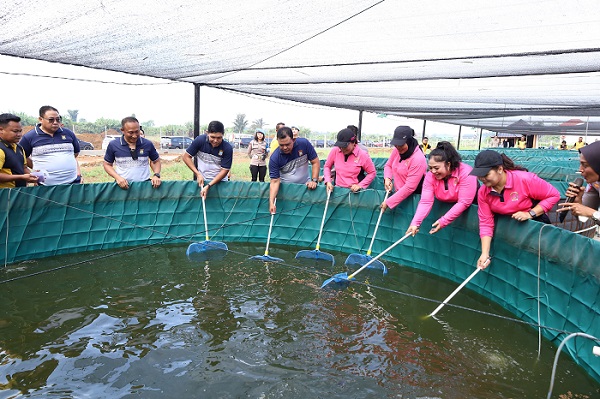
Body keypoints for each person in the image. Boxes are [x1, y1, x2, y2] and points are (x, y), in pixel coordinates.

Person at [469, 150, 560, 270]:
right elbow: (486, 222)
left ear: (500, 169)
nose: (482, 179)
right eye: (479, 175)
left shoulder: (525, 179)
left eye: (486, 175)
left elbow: (554, 195)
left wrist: (530, 214)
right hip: (511, 231)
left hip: (535, 226)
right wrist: (485, 253)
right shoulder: (483, 192)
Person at [406, 141, 478, 236]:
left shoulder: (466, 173)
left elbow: (464, 202)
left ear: (448, 164)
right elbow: (425, 201)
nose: (433, 171)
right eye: (430, 168)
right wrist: (415, 223)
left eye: (436, 168)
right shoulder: (429, 176)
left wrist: (444, 220)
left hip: (471, 216)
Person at [19, 105, 82, 185]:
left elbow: (75, 154)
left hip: (72, 183)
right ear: (40, 119)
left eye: (58, 119)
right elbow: (22, 157)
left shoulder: (68, 133)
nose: (55, 122)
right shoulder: (30, 137)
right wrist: (35, 168)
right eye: (51, 120)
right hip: (45, 186)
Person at [269, 126, 319, 214]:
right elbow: (274, 181)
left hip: (306, 189)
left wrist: (314, 180)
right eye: (281, 145)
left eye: (287, 144)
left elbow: (315, 162)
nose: (284, 147)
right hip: (287, 193)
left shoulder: (304, 144)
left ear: (294, 140)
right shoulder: (274, 158)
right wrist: (271, 202)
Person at [103, 116, 161, 190]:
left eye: (137, 132)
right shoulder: (113, 145)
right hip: (123, 187)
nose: (134, 135)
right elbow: (107, 164)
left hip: (144, 186)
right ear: (122, 130)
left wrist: (156, 175)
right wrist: (118, 178)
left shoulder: (147, 144)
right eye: (130, 132)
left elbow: (156, 161)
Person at [381, 126, 427, 212]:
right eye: (396, 144)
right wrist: (387, 178)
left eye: (401, 145)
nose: (398, 147)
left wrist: (388, 202)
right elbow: (388, 165)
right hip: (398, 195)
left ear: (409, 141)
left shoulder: (418, 159)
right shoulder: (397, 150)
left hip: (414, 200)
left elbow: (410, 187)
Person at [183, 120, 233, 198]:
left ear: (223, 135)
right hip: (203, 181)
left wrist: (209, 185)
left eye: (219, 138)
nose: (215, 141)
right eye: (212, 137)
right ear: (207, 133)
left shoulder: (227, 148)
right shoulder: (199, 140)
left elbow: (225, 170)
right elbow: (186, 157)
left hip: (221, 182)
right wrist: (198, 174)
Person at [557, 141, 600, 225]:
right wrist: (578, 202)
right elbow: (584, 219)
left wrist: (592, 213)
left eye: (585, 165)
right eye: (580, 164)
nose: (580, 170)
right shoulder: (594, 184)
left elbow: (591, 213)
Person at [323, 128, 376, 193]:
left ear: (353, 142)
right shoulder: (335, 151)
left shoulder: (363, 155)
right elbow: (327, 166)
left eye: (345, 146)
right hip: (337, 190)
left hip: (355, 193)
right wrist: (328, 181)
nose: (342, 149)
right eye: (340, 146)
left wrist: (360, 185)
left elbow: (372, 172)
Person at [0, 113, 39, 188]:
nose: (19, 134)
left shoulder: (19, 148)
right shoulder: (1, 149)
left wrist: (33, 176)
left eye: (20, 131)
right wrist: (21, 177)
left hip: (19, 193)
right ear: (1, 130)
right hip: (4, 194)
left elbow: (23, 168)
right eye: (15, 131)